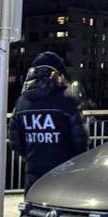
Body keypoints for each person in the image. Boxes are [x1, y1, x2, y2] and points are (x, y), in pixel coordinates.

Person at [8, 52, 88, 193]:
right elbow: (80, 140)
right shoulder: (67, 99)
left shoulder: (22, 102)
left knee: (33, 211)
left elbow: (15, 142)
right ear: (58, 74)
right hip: (64, 173)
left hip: (33, 173)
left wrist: (32, 155)